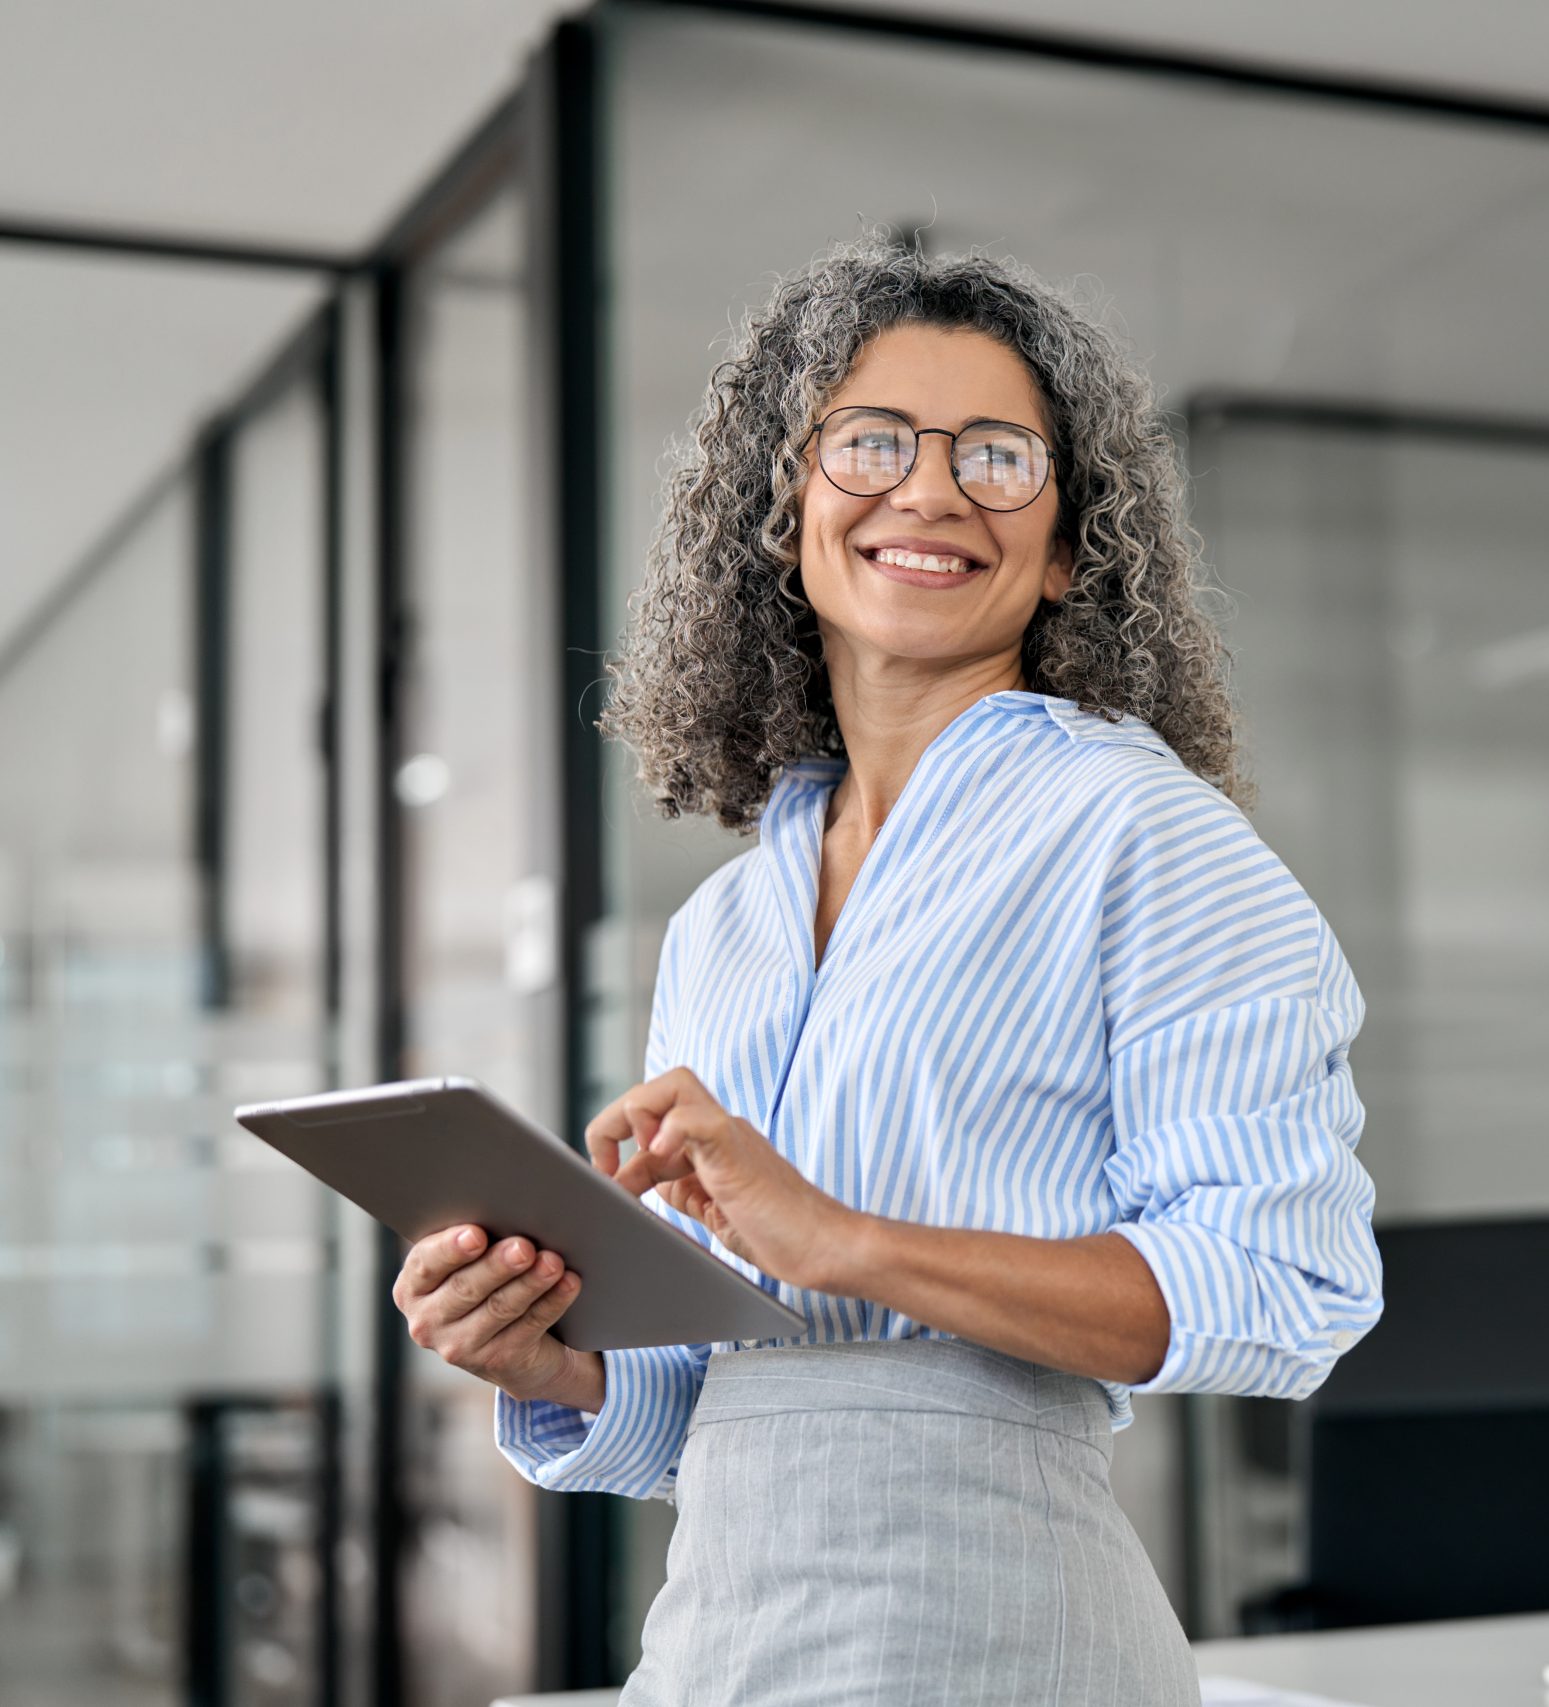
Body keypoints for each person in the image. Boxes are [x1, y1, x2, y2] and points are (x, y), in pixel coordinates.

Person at [387, 230, 1383, 1704]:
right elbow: (729, 1405)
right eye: (871, 443)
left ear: (1068, 551)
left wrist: (847, 1240)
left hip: (999, 1635)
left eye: (997, 457)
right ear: (783, 511)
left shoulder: (1142, 833)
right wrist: (554, 1361)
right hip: (724, 1644)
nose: (929, 490)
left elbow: (1285, 1283)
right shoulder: (727, 922)